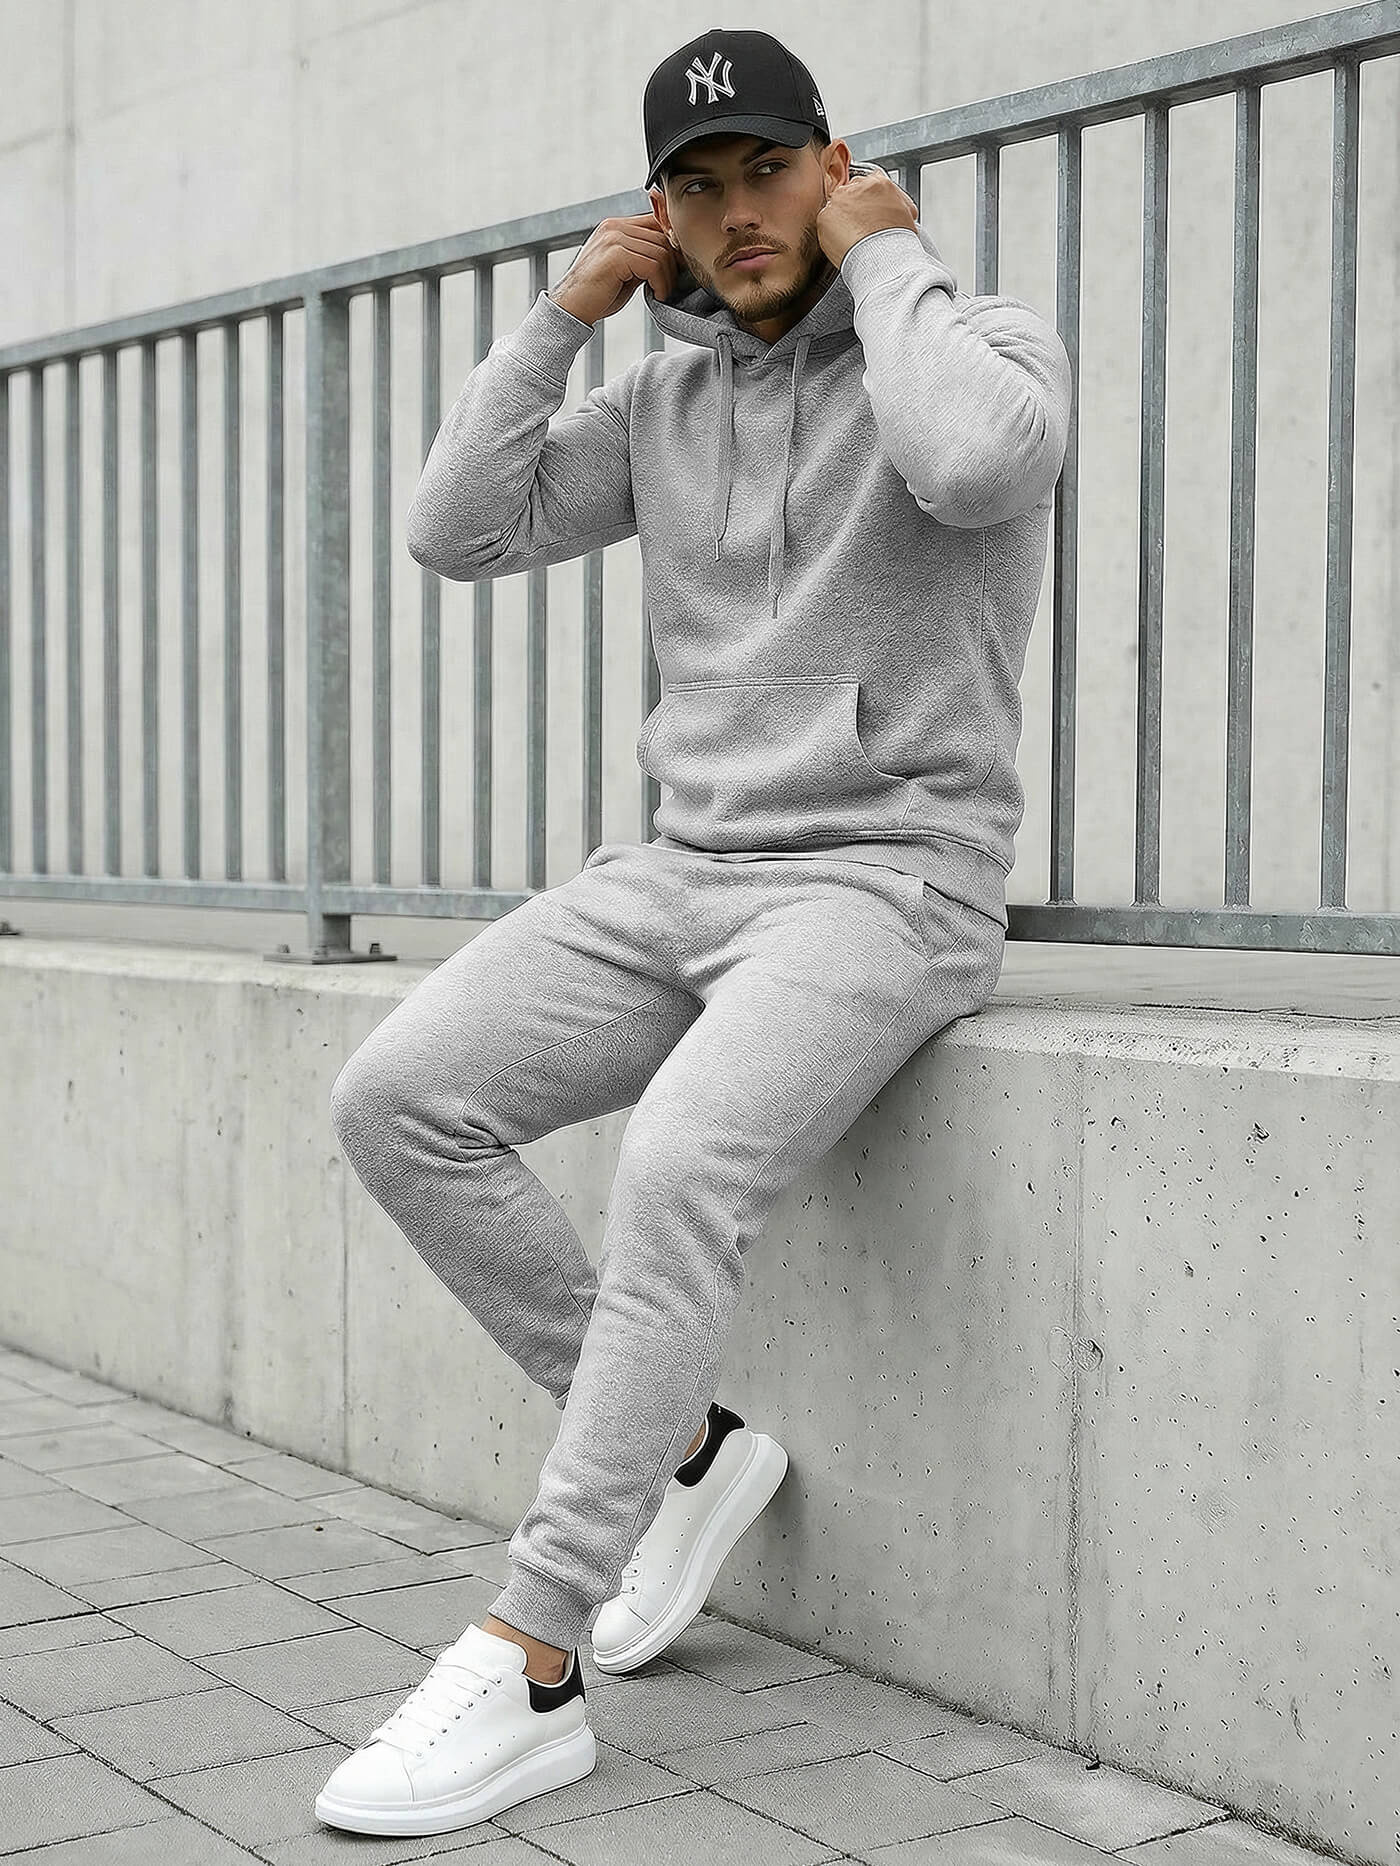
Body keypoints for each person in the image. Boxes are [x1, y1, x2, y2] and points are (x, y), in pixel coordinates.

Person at [314, 23, 1072, 1841]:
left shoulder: (978, 347)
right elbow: (453, 530)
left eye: (770, 171)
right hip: (679, 869)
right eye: (699, 186)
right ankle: (683, 1448)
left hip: (889, 880)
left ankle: (534, 1654)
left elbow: (976, 470)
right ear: (660, 210)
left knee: (676, 1166)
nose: (739, 215)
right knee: (399, 1097)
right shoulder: (659, 408)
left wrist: (888, 258)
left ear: (836, 166)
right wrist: (564, 314)